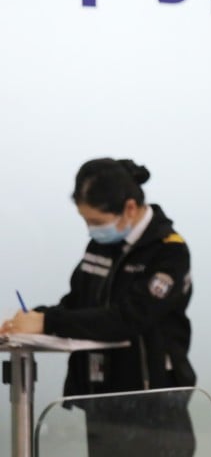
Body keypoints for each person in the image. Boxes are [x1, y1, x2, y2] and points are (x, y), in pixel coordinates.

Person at [1, 158, 196, 456]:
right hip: (103, 397)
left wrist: (49, 322)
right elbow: (78, 302)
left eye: (96, 221)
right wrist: (34, 317)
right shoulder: (101, 245)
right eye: (86, 220)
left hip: (153, 401)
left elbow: (128, 317)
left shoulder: (170, 251)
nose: (91, 229)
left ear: (129, 208)